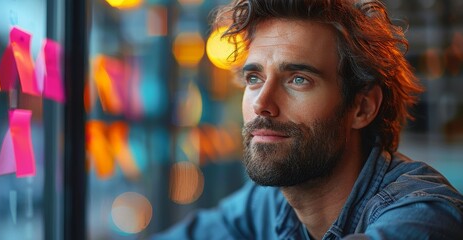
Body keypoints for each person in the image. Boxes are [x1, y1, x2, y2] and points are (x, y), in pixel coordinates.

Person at [153, 0, 463, 239]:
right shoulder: (267, 204)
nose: (262, 103)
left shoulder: (425, 214)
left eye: (298, 79)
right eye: (254, 78)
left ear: (362, 107)